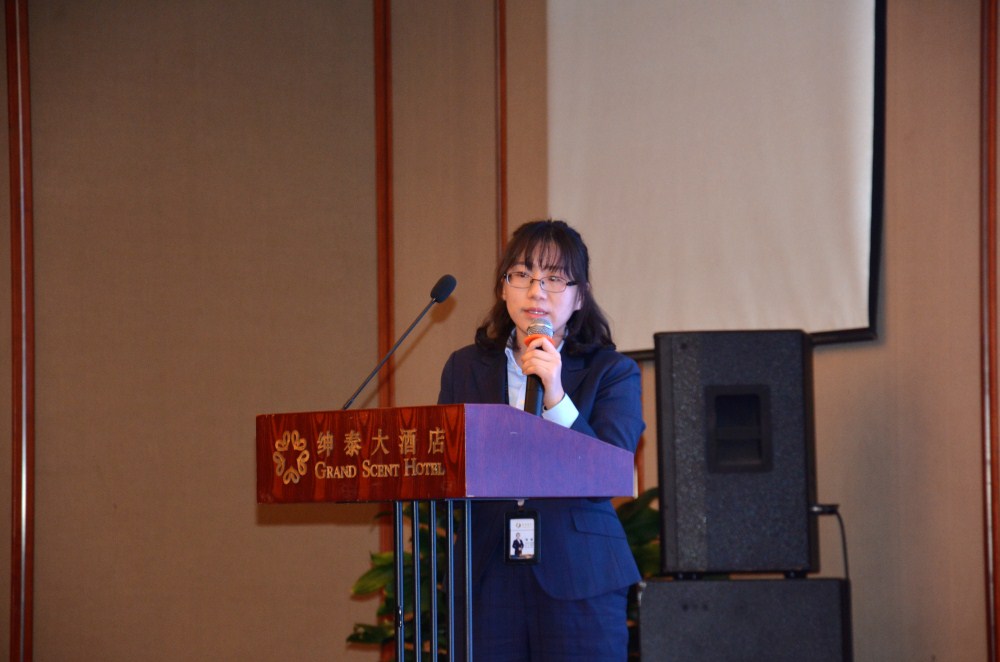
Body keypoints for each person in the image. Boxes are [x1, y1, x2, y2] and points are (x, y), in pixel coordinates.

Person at [437, 219, 645, 661]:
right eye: (522, 275)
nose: (537, 291)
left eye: (554, 278)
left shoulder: (613, 372)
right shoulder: (464, 368)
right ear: (503, 288)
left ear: (580, 295)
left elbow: (609, 472)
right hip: (488, 577)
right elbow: (445, 464)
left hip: (579, 574)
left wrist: (556, 394)